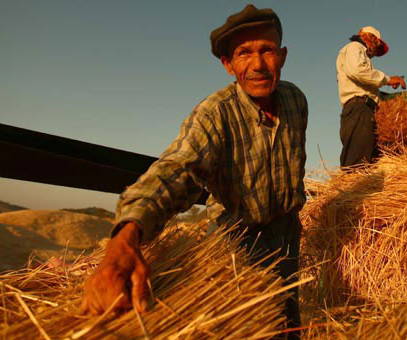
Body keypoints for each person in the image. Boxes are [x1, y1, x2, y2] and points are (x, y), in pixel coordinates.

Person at [80, 4, 307, 339]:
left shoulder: (295, 100)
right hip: (236, 243)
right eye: (244, 53)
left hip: (287, 233)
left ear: (283, 56)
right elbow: (176, 170)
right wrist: (125, 238)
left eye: (267, 50)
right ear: (228, 65)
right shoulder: (215, 113)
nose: (257, 65)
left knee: (289, 322)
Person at [336, 26, 407, 166]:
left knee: (367, 161)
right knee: (358, 163)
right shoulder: (354, 47)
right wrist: (387, 79)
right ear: (370, 37)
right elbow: (358, 71)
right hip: (359, 109)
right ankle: (355, 187)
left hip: (363, 109)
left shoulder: (359, 53)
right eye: (377, 46)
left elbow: (364, 81)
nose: (375, 52)